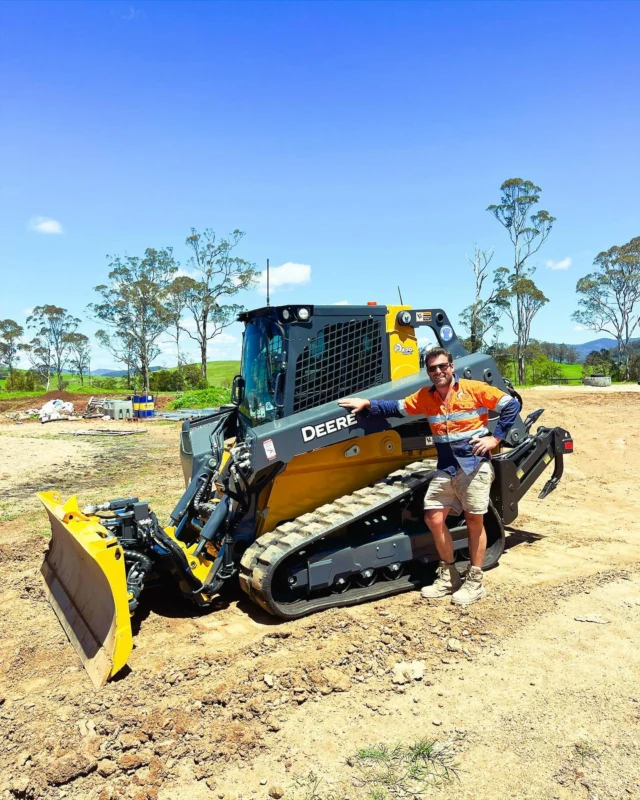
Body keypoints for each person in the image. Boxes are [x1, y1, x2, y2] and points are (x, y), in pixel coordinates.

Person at [338, 347, 520, 606]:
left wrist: (495, 437)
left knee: (474, 522)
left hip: (474, 465)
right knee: (433, 517)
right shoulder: (426, 396)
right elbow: (397, 407)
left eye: (443, 366)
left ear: (452, 366)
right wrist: (368, 405)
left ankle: (475, 580)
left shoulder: (473, 389)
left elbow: (510, 405)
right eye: (433, 368)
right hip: (446, 466)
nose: (438, 372)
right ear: (428, 371)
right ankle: (449, 576)